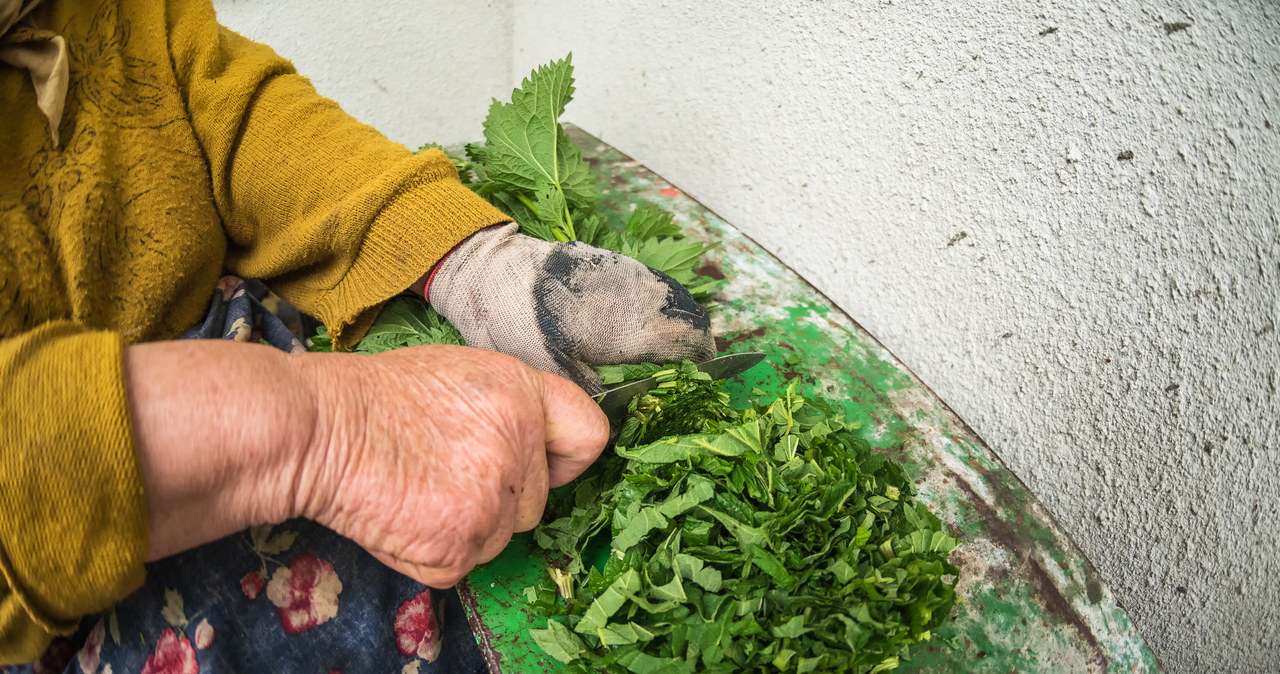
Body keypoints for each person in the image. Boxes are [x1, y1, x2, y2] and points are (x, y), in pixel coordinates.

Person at [0, 0, 714, 671]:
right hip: (72, 535)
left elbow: (237, 122)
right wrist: (329, 432)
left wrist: (460, 258)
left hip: (236, 353)